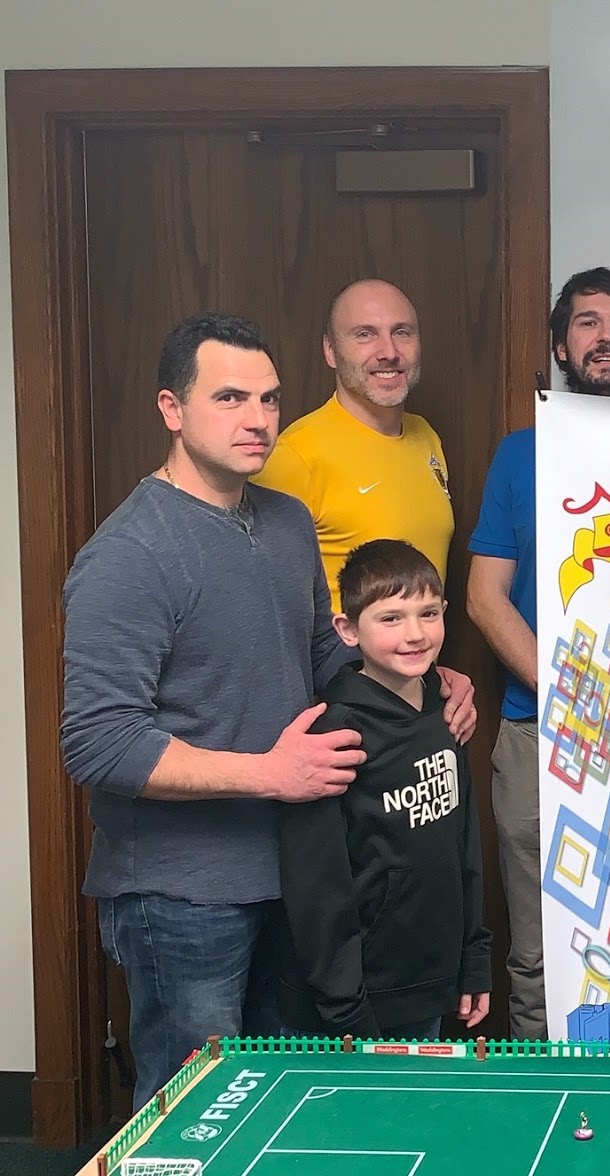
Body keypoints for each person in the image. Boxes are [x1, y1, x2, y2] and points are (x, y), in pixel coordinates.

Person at [58, 312, 476, 1106]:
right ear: (172, 408)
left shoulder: (285, 522)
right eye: (229, 398)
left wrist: (425, 678)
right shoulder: (128, 555)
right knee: (193, 1115)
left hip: (293, 874)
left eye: (269, 398)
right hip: (182, 896)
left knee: (279, 1109)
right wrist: (270, 774)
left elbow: (320, 653)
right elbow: (99, 742)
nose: (257, 419)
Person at [466, 266, 610, 1038]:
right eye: (587, 322)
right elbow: (484, 597)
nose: (606, 336)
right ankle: (542, 1100)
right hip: (538, 732)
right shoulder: (519, 455)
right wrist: (568, 692)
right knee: (541, 952)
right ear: (559, 347)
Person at [277, 539, 491, 1039]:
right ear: (348, 630)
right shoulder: (333, 735)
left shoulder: (447, 711)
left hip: (433, 987)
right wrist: (347, 1012)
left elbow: (464, 845)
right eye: (391, 618)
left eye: (428, 613)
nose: (415, 634)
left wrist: (474, 960)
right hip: (354, 1009)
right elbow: (317, 890)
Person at [254, 278, 453, 610]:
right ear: (330, 350)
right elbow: (263, 601)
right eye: (365, 334)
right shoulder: (294, 456)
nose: (389, 352)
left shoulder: (426, 436)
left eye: (402, 332)